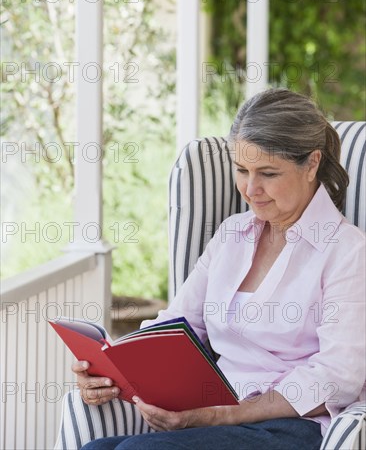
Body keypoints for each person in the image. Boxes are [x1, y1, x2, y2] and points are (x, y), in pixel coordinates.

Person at [75, 89, 365, 450]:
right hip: (213, 418)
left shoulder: (347, 251)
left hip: (292, 428)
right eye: (242, 170)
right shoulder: (232, 236)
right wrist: (111, 372)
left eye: (268, 173)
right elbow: (174, 328)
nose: (251, 188)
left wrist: (218, 414)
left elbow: (339, 378)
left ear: (311, 164)